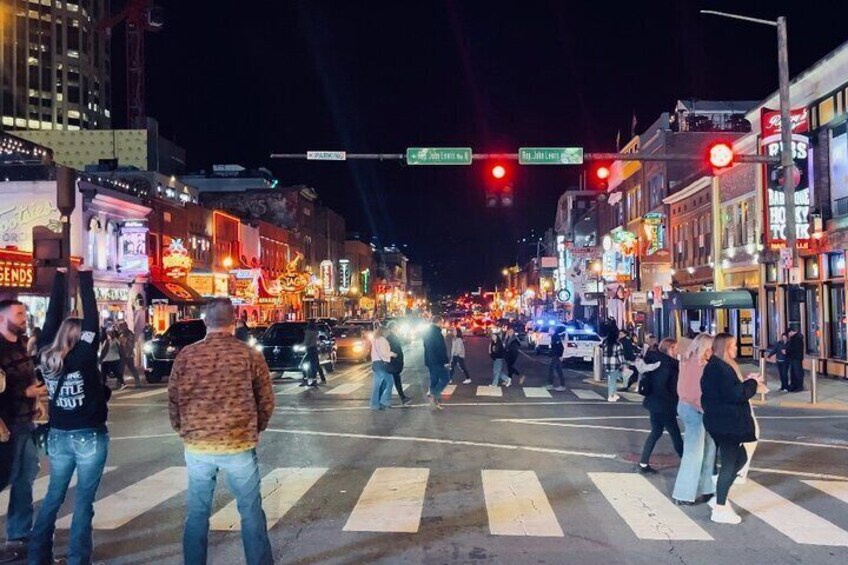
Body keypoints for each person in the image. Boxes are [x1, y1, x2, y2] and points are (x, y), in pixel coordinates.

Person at [168, 297, 275, 565]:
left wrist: (184, 429)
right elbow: (266, 399)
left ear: (206, 322)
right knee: (250, 512)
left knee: (197, 514)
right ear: (234, 322)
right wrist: (254, 427)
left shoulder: (187, 356)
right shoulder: (249, 354)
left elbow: (174, 399)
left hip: (198, 445)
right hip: (238, 442)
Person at [29, 267, 112, 565]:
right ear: (81, 337)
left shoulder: (46, 355)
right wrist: (86, 280)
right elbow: (93, 319)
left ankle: (38, 556)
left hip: (59, 435)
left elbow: (50, 319)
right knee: (84, 502)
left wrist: (61, 280)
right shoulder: (84, 355)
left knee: (53, 497)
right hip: (89, 433)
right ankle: (78, 559)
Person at [0, 300, 44, 564]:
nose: (24, 318)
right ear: (2, 318)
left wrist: (35, 400)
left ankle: (18, 536)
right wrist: (24, 393)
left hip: (25, 422)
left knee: (24, 479)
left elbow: (29, 378)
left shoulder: (22, 344)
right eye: (18, 314)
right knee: (5, 477)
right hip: (6, 426)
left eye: (24, 314)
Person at [701, 333, 761, 525]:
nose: (736, 349)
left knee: (741, 457)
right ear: (726, 348)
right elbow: (736, 394)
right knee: (730, 462)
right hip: (727, 423)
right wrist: (753, 383)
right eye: (733, 346)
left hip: (722, 421)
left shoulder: (717, 367)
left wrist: (747, 382)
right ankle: (719, 507)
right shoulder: (719, 368)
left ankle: (719, 491)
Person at [672, 334, 717, 505]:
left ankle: (706, 489)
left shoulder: (685, 360)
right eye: (710, 348)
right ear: (705, 348)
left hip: (687, 406)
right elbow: (696, 394)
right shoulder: (701, 366)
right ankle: (683, 493)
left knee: (707, 450)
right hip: (696, 409)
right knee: (695, 453)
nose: (711, 352)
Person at [637, 338, 683, 473]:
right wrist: (674, 400)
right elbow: (664, 386)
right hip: (664, 404)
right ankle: (687, 461)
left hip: (654, 402)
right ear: (670, 349)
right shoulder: (668, 365)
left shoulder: (655, 360)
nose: (677, 351)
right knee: (675, 434)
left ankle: (643, 463)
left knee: (656, 432)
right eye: (675, 348)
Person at [422, 316, 450, 409]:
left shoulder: (426, 333)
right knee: (446, 378)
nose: (442, 325)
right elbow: (441, 349)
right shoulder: (438, 334)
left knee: (434, 380)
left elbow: (426, 347)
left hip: (429, 360)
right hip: (437, 361)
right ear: (438, 322)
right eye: (442, 323)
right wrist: (445, 361)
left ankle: (435, 401)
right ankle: (434, 394)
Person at [370, 326, 396, 411]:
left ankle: (374, 404)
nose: (388, 334)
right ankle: (384, 401)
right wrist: (392, 354)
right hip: (382, 364)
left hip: (376, 363)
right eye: (387, 332)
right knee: (390, 382)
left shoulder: (375, 340)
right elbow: (384, 353)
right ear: (383, 332)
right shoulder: (382, 340)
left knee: (377, 386)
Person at [385, 323, 412, 406]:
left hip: (394, 361)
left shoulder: (392, 336)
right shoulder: (391, 337)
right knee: (391, 382)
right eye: (396, 327)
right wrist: (395, 356)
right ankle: (400, 398)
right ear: (392, 328)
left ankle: (402, 397)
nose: (398, 329)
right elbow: (393, 348)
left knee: (394, 381)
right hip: (393, 361)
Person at [117, 321, 142, 387]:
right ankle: (120, 382)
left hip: (128, 354)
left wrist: (127, 352)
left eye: (121, 326)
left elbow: (130, 344)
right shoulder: (122, 334)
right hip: (124, 354)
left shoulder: (129, 334)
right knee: (121, 369)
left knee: (130, 368)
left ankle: (137, 382)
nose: (120, 327)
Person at [300, 320, 325, 387]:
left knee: (302, 364)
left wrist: (301, 346)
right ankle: (319, 379)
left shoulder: (308, 332)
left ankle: (305, 380)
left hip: (309, 349)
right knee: (315, 364)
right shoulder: (316, 332)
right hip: (315, 349)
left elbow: (306, 342)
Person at [602, 334, 624, 402]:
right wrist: (622, 363)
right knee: (613, 380)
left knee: (611, 379)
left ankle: (614, 394)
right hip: (615, 364)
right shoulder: (618, 344)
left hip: (606, 364)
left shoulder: (605, 344)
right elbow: (620, 355)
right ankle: (610, 395)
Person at [786, 327, 805, 392]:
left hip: (796, 358)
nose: (788, 335)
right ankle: (794, 385)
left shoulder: (796, 338)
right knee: (793, 372)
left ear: (791, 332)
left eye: (788, 333)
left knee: (797, 372)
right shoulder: (796, 338)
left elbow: (794, 349)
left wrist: (786, 351)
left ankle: (798, 386)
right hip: (794, 358)